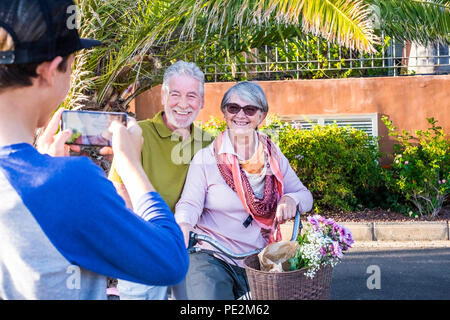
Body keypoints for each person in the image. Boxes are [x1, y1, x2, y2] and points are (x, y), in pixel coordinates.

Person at [0, 0, 187, 300]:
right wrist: (130, 164)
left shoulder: (50, 182)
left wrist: (41, 165)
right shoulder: (71, 182)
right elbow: (171, 261)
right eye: (71, 65)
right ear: (50, 71)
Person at [174, 81, 314, 300]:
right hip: (212, 254)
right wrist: (183, 225)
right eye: (233, 108)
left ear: (261, 116)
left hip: (259, 259)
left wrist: (290, 199)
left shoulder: (273, 157)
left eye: (249, 109)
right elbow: (189, 203)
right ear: (224, 113)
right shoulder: (207, 157)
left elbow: (306, 197)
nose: (240, 115)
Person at [108, 60, 211, 300]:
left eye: (192, 96)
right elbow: (119, 188)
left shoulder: (209, 144)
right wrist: (144, 238)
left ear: (202, 102)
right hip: (142, 249)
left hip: (190, 254)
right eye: (175, 94)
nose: (183, 104)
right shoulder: (137, 133)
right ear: (164, 96)